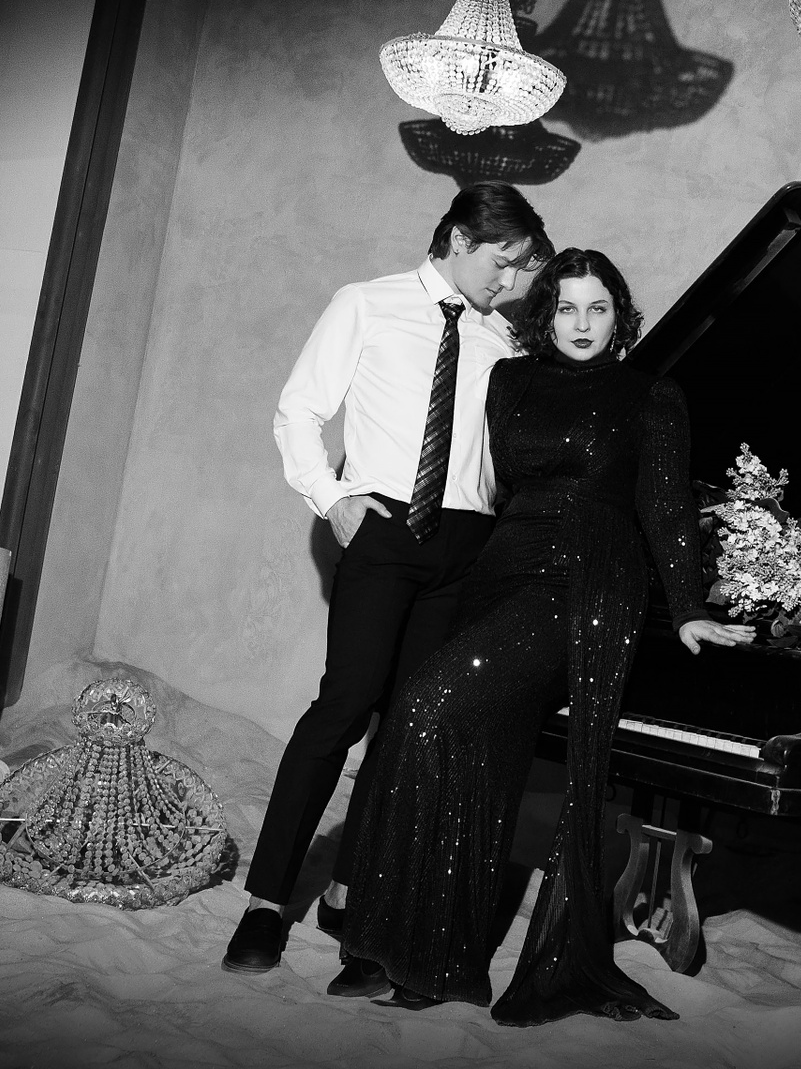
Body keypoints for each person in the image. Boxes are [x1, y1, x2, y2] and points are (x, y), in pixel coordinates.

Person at [338, 248, 754, 1025]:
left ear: (619, 316)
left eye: (598, 308)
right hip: (502, 569)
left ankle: (418, 947)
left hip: (586, 581)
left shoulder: (650, 394)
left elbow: (666, 509)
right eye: (567, 307)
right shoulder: (510, 380)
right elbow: (472, 473)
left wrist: (688, 607)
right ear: (546, 315)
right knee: (456, 740)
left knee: (432, 704)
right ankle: (423, 955)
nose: (582, 323)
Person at [223, 183, 551, 995]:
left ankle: (351, 893)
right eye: (503, 262)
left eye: (521, 270)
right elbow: (299, 410)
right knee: (345, 707)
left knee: (406, 730)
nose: (510, 282)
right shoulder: (366, 303)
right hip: (384, 529)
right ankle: (266, 902)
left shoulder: (504, 339)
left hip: (467, 546)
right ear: (459, 238)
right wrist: (331, 498)